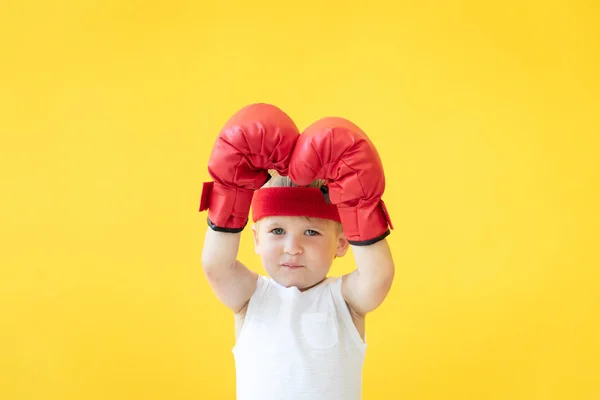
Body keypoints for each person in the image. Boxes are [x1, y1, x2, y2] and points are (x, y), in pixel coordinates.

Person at [199, 103, 395, 400]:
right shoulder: (250, 298)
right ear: (256, 239)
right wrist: (229, 194)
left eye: (312, 232)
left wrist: (361, 209)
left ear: (342, 242)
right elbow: (216, 265)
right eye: (277, 231)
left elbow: (378, 275)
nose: (293, 248)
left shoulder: (345, 302)